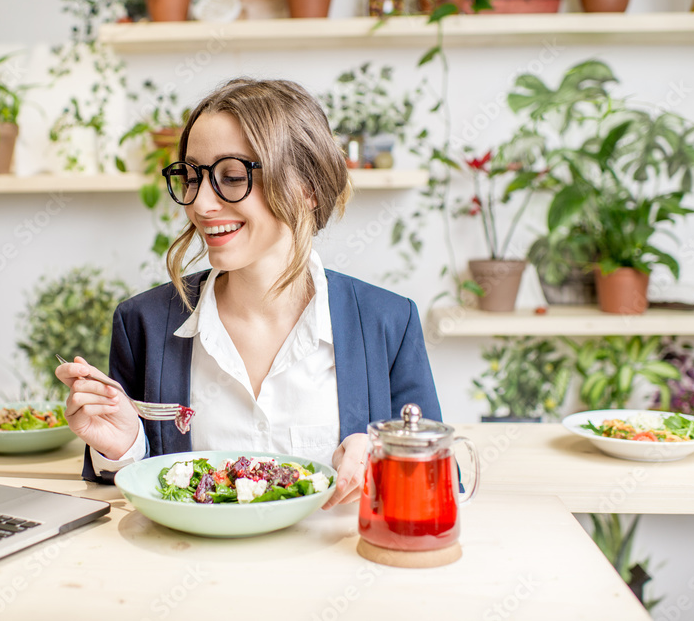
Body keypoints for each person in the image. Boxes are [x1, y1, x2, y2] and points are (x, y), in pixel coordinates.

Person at [56, 78, 441, 509]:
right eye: (191, 176)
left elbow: (440, 486)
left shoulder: (387, 322)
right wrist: (124, 445)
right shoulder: (142, 323)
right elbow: (124, 494)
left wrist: (387, 461)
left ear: (307, 188)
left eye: (232, 176)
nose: (200, 204)